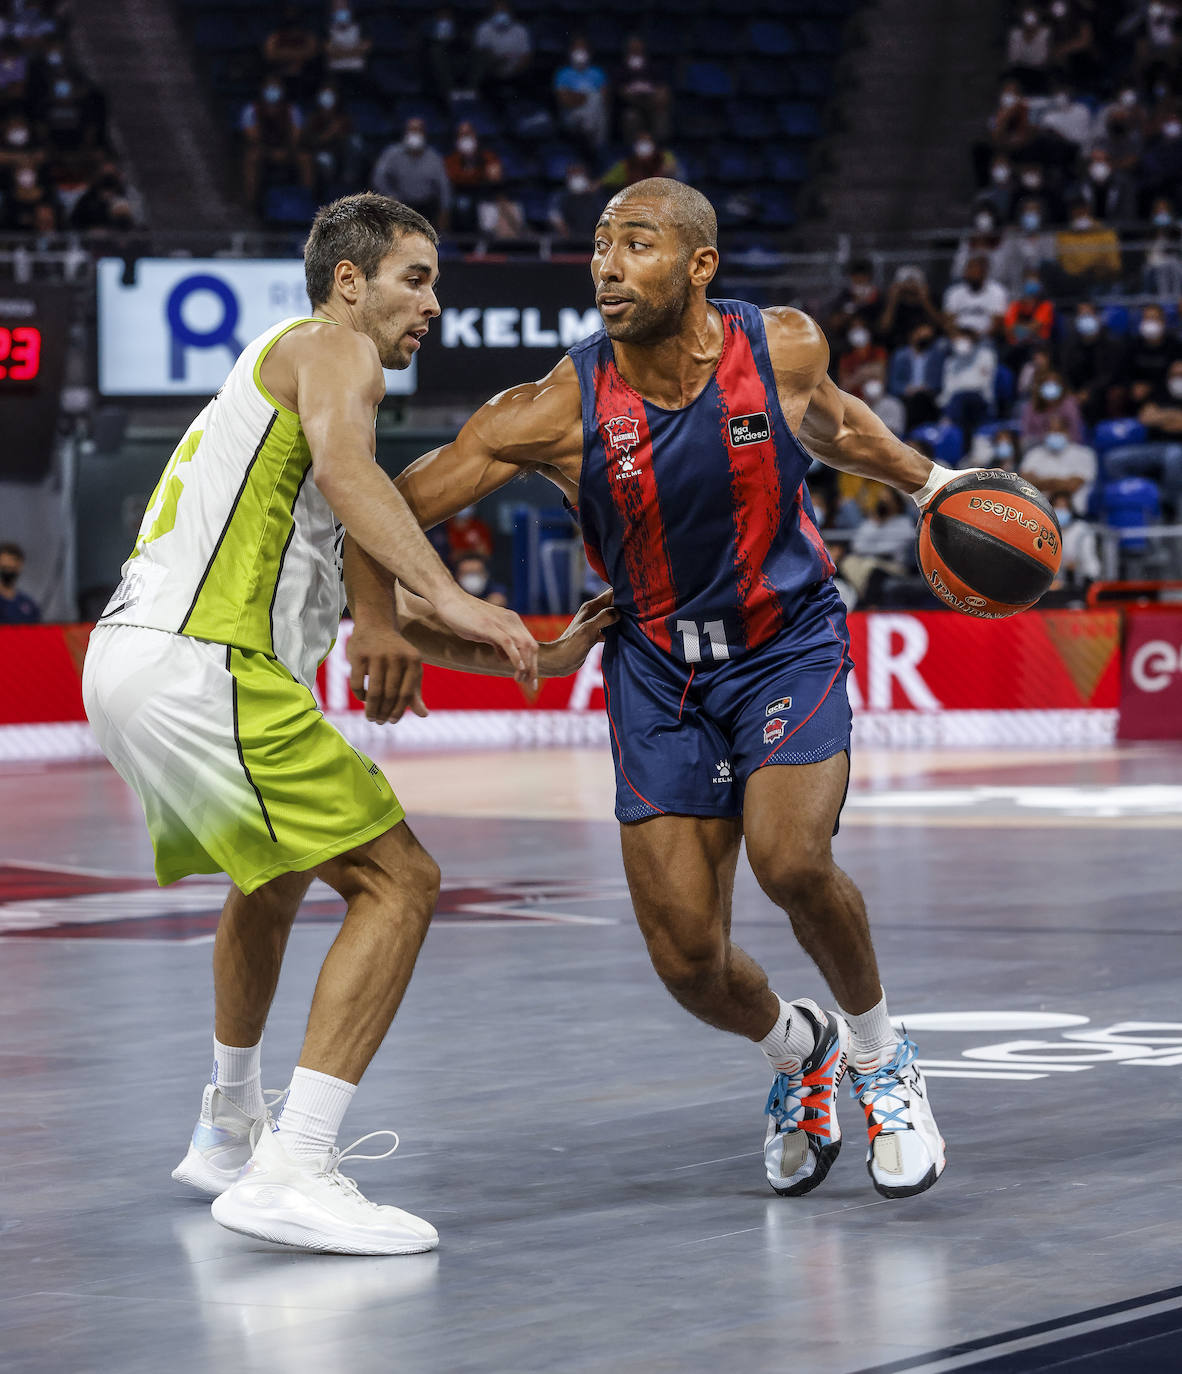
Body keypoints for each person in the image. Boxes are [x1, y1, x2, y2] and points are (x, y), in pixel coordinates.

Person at [394, 179, 950, 1202]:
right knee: (690, 961)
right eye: (600, 244)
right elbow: (393, 507)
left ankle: (881, 1056)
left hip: (786, 641)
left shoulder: (779, 346)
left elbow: (834, 425)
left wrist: (933, 485)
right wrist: (378, 609)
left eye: (636, 244)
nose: (608, 264)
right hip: (657, 672)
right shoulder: (556, 406)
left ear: (700, 266)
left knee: (791, 860)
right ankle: (802, 1049)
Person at [81, 193, 609, 1256]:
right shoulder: (333, 349)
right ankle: (299, 1166)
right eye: (416, 280)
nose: (433, 306)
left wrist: (535, 652)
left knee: (270, 880)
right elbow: (356, 481)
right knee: (401, 880)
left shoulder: (289, 414)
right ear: (351, 280)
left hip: (137, 662)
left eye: (438, 284)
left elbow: (393, 602)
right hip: (201, 664)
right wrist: (450, 595)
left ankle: (230, 1127)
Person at [241, 78, 311, 213]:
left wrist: (286, 151)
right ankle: (251, 205)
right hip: (264, 151)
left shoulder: (292, 110)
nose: (273, 91)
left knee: (305, 158)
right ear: (262, 90)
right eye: (269, 87)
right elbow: (253, 139)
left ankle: (306, 202)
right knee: (251, 157)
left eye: (276, 87)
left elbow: (296, 138)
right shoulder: (251, 110)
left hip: (287, 150)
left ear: (282, 91)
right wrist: (270, 152)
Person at [371, 118, 451, 229]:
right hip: (399, 204)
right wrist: (389, 195)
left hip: (426, 206)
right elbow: (378, 178)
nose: (415, 134)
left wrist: (444, 209)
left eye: (418, 130)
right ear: (405, 133)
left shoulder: (434, 158)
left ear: (425, 134)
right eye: (412, 130)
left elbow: (444, 186)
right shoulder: (392, 154)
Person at [1019, 413, 1097, 512]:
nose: (1054, 434)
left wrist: (1041, 484)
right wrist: (1060, 482)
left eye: (1059, 430)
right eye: (1051, 430)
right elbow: (1024, 484)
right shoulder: (1033, 454)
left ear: (1067, 432)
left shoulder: (1084, 454)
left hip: (1073, 514)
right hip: (1037, 513)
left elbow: (1073, 486)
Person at [554, 37, 610, 154]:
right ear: (570, 51)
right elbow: (565, 100)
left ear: (589, 52)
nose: (580, 51)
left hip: (596, 116)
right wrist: (585, 98)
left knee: (597, 100)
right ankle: (589, 132)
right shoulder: (563, 73)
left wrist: (580, 96)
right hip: (571, 114)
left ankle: (597, 147)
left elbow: (605, 100)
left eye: (583, 48)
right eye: (576, 48)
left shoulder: (598, 73)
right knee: (594, 97)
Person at [942, 255, 1007, 339]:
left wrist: (977, 336)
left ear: (984, 272)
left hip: (983, 337)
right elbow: (948, 321)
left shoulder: (997, 291)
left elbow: (997, 323)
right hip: (958, 336)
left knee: (985, 352)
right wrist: (957, 336)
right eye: (969, 269)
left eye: (974, 270)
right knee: (941, 345)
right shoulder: (954, 292)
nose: (970, 273)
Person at [0, 542, 41, 623]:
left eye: (12, 568)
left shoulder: (29, 605)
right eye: (4, 568)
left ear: (19, 567)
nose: (8, 572)